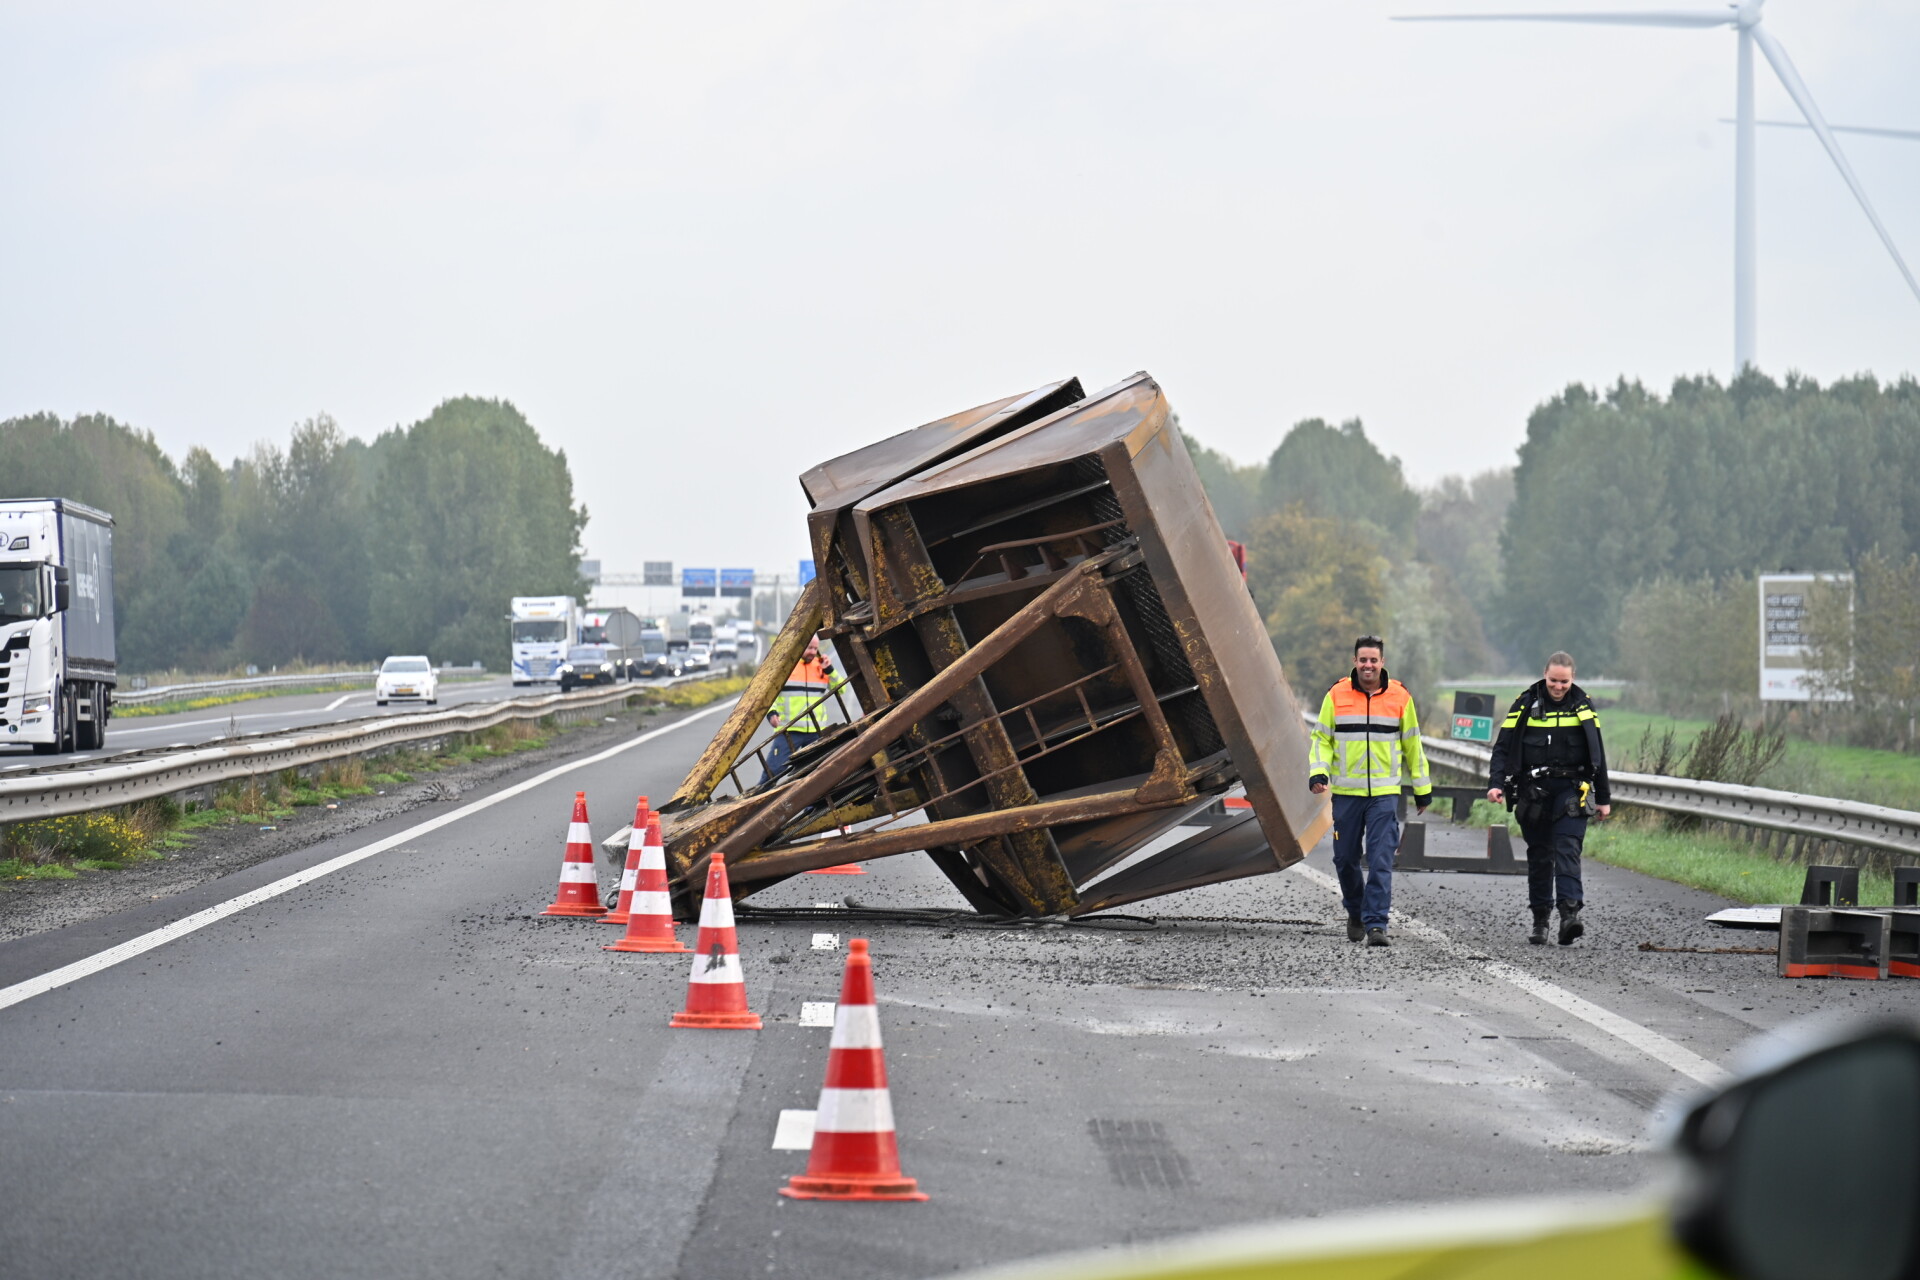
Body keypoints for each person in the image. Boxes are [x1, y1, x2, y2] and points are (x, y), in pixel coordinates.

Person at [1309, 635, 1432, 946]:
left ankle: (1377, 924)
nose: (1368, 665)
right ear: (1355, 662)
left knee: (1380, 859)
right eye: (1363, 660)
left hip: (1384, 794)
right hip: (1347, 795)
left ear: (1382, 662)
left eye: (1373, 660)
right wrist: (1318, 772)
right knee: (1345, 859)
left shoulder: (1400, 697)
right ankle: (1355, 911)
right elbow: (1322, 739)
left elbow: (1412, 745)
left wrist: (1422, 788)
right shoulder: (1336, 695)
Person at [1487, 651, 1612, 946]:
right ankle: (1540, 919)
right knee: (1541, 854)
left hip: (1572, 789)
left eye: (1564, 682)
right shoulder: (1525, 703)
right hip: (1534, 792)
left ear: (1573, 679)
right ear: (1545, 676)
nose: (1558, 687)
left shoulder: (1583, 705)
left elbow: (1598, 754)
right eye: (1554, 681)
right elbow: (1503, 748)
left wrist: (1604, 798)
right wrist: (1496, 784)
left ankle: (1569, 916)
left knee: (1568, 849)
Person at [761, 636, 840, 780]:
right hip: (789, 730)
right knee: (773, 772)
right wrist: (771, 713)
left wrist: (830, 670)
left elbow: (840, 689)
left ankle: (811, 803)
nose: (812, 652)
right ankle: (758, 800)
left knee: (815, 775)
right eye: (809, 648)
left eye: (815, 648)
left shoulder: (820, 666)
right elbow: (768, 694)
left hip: (816, 732)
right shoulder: (785, 666)